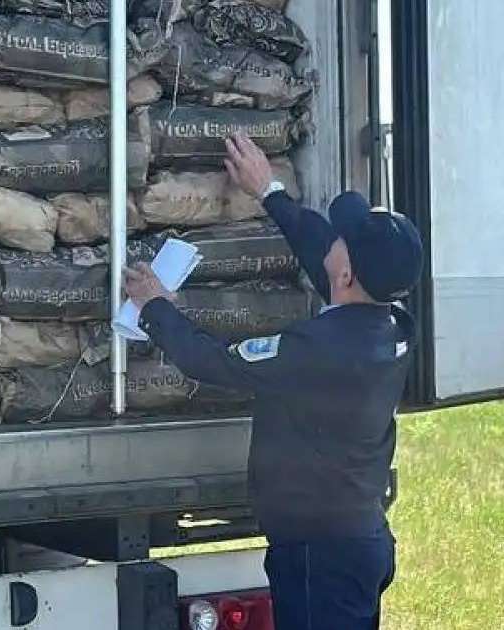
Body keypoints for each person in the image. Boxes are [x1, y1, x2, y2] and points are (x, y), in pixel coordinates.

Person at [123, 132, 423, 629]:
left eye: (342, 239)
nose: (332, 238)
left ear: (346, 275)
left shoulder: (318, 350)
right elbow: (320, 252)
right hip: (356, 540)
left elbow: (210, 362)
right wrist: (270, 192)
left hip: (321, 556)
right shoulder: (392, 324)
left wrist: (153, 305)